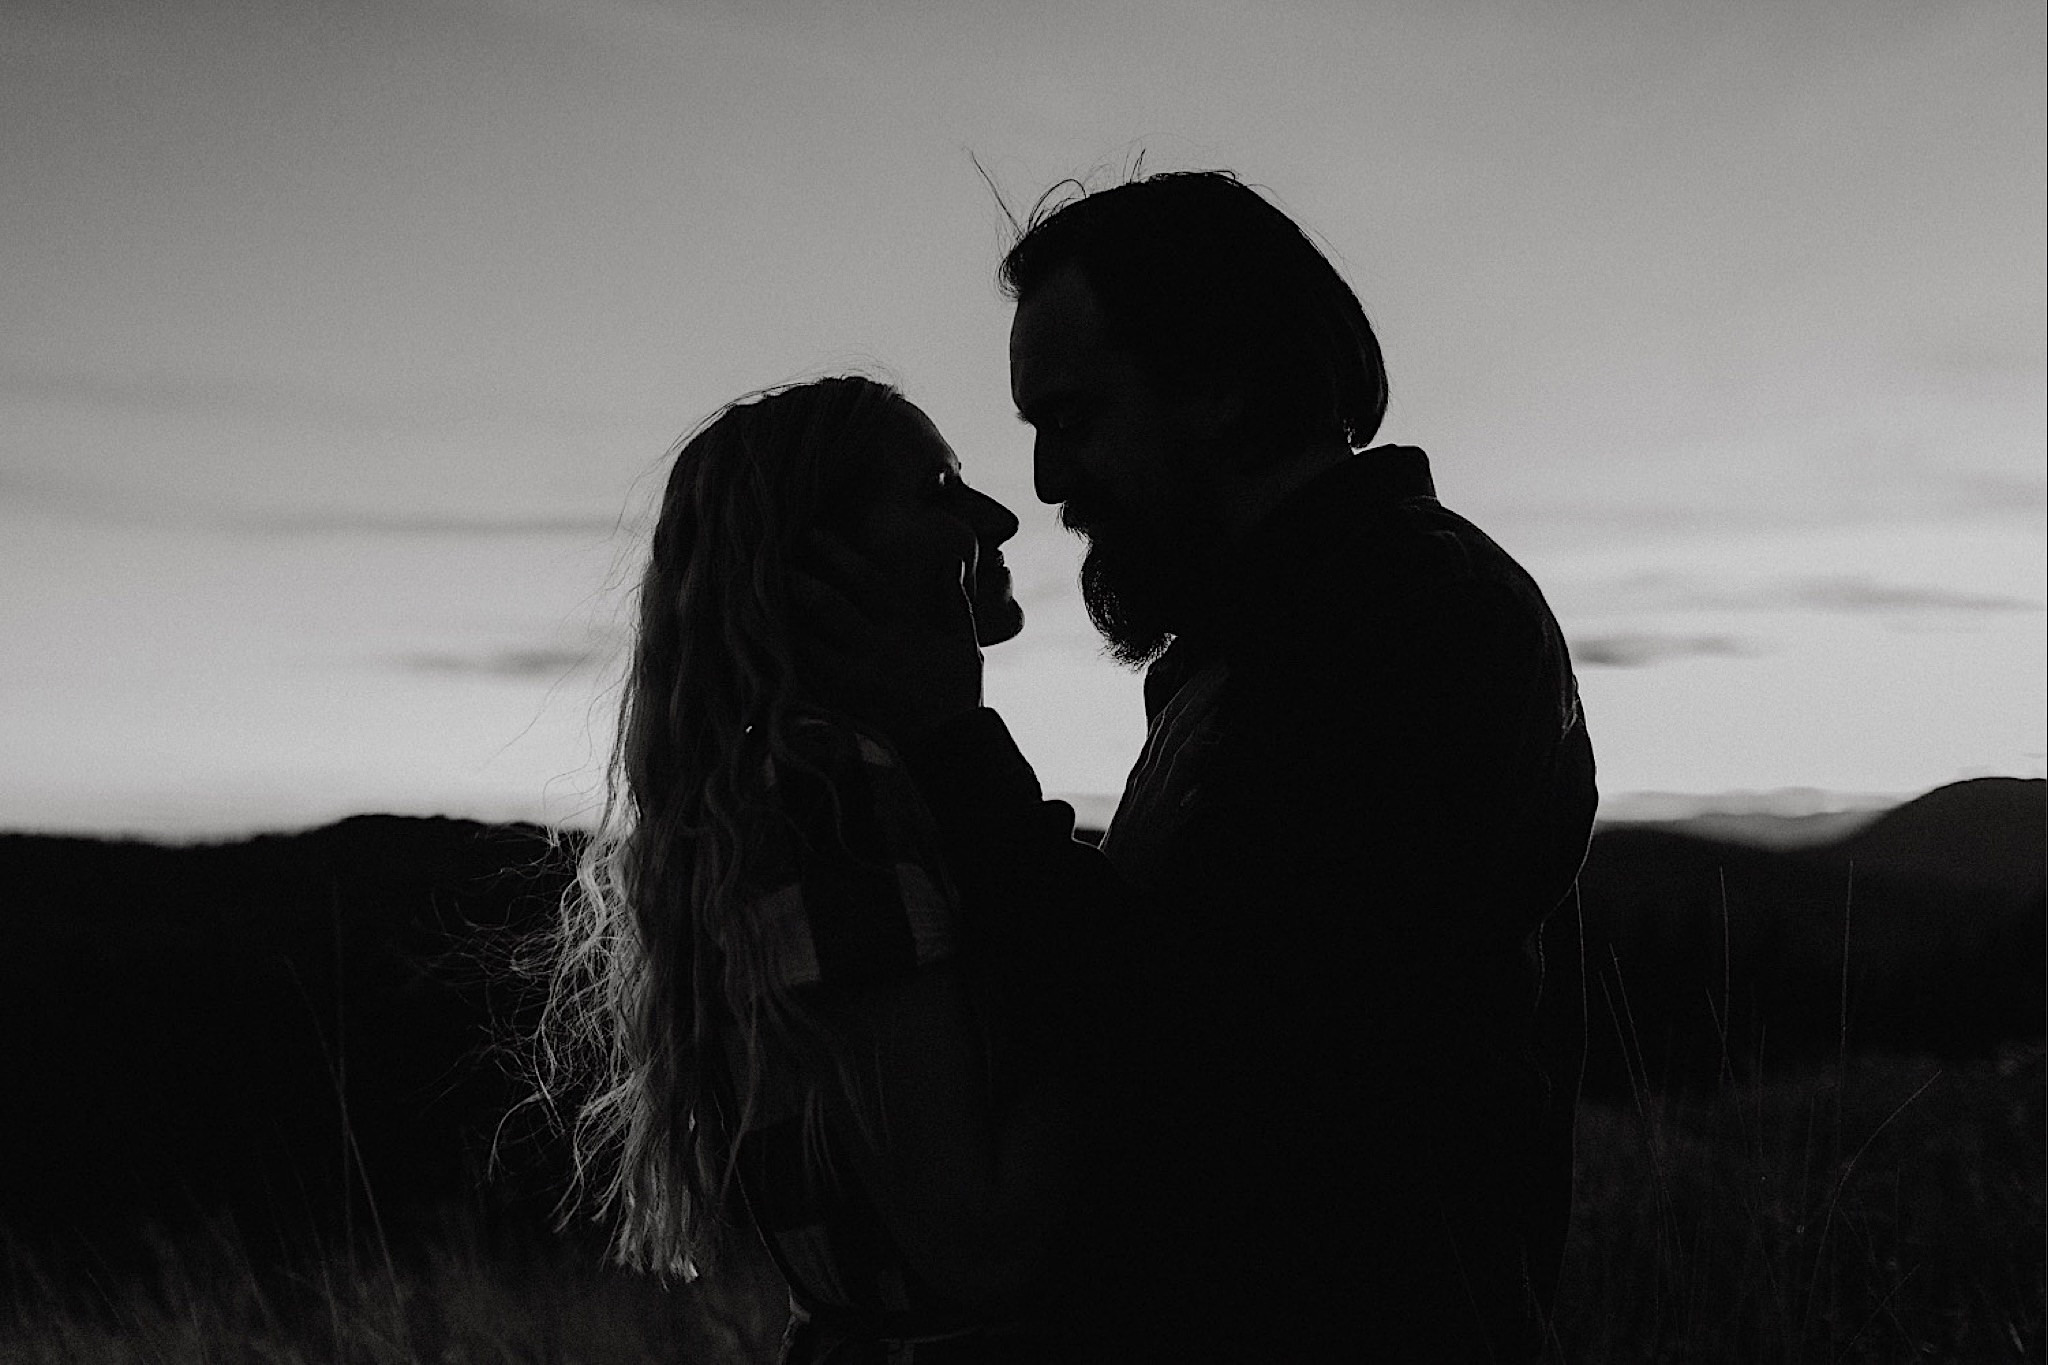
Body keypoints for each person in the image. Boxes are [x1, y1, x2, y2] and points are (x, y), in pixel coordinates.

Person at [814, 170, 1598, 1360]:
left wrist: (946, 740)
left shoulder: (1416, 621)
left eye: (1071, 419)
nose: (1043, 486)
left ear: (1220, 387)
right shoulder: (1256, 641)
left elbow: (1206, 1046)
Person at [525, 375, 1124, 1363]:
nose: (999, 516)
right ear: (812, 563)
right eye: (937, 489)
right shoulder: (825, 791)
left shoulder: (836, 778)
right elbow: (982, 1245)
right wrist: (1144, 995)